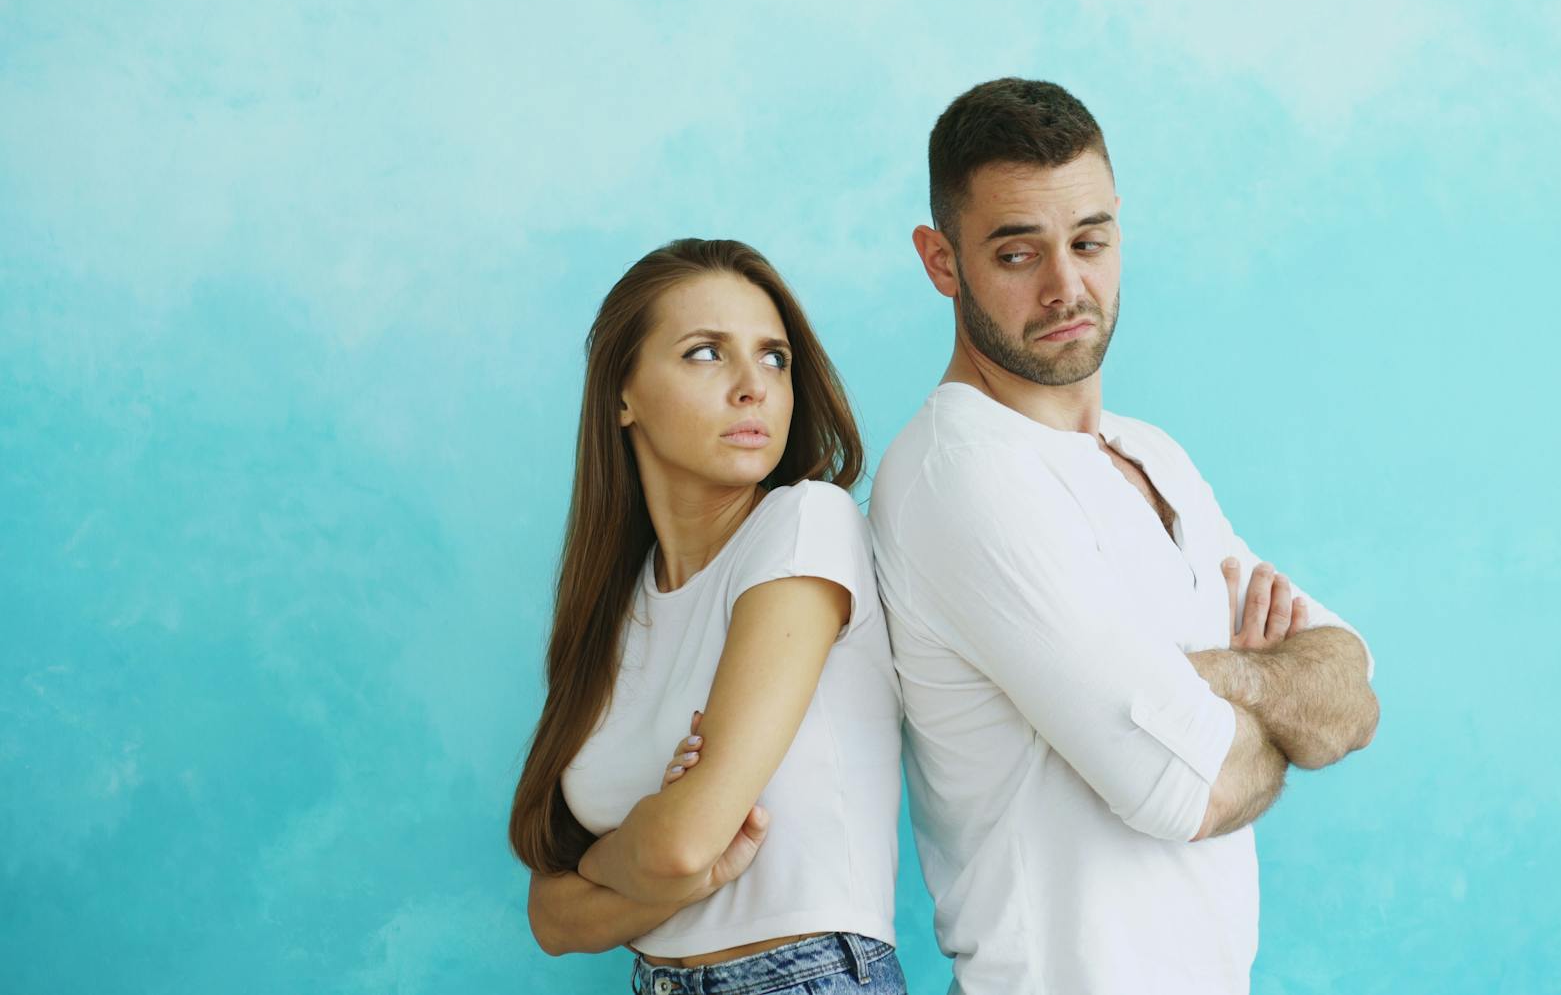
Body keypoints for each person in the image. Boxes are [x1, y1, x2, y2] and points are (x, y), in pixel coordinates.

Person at [867, 78, 1381, 993]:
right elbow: (1190, 791)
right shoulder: (961, 473)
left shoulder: (1153, 454)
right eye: (1018, 253)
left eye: (1090, 242)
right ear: (941, 261)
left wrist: (1216, 681)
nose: (1068, 287)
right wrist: (1269, 701)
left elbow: (1354, 697)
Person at [508, 238, 906, 993]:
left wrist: (611, 862)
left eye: (775, 358)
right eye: (705, 354)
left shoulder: (804, 525)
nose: (754, 386)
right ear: (622, 394)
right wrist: (655, 854)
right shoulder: (614, 610)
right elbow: (551, 920)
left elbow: (685, 847)